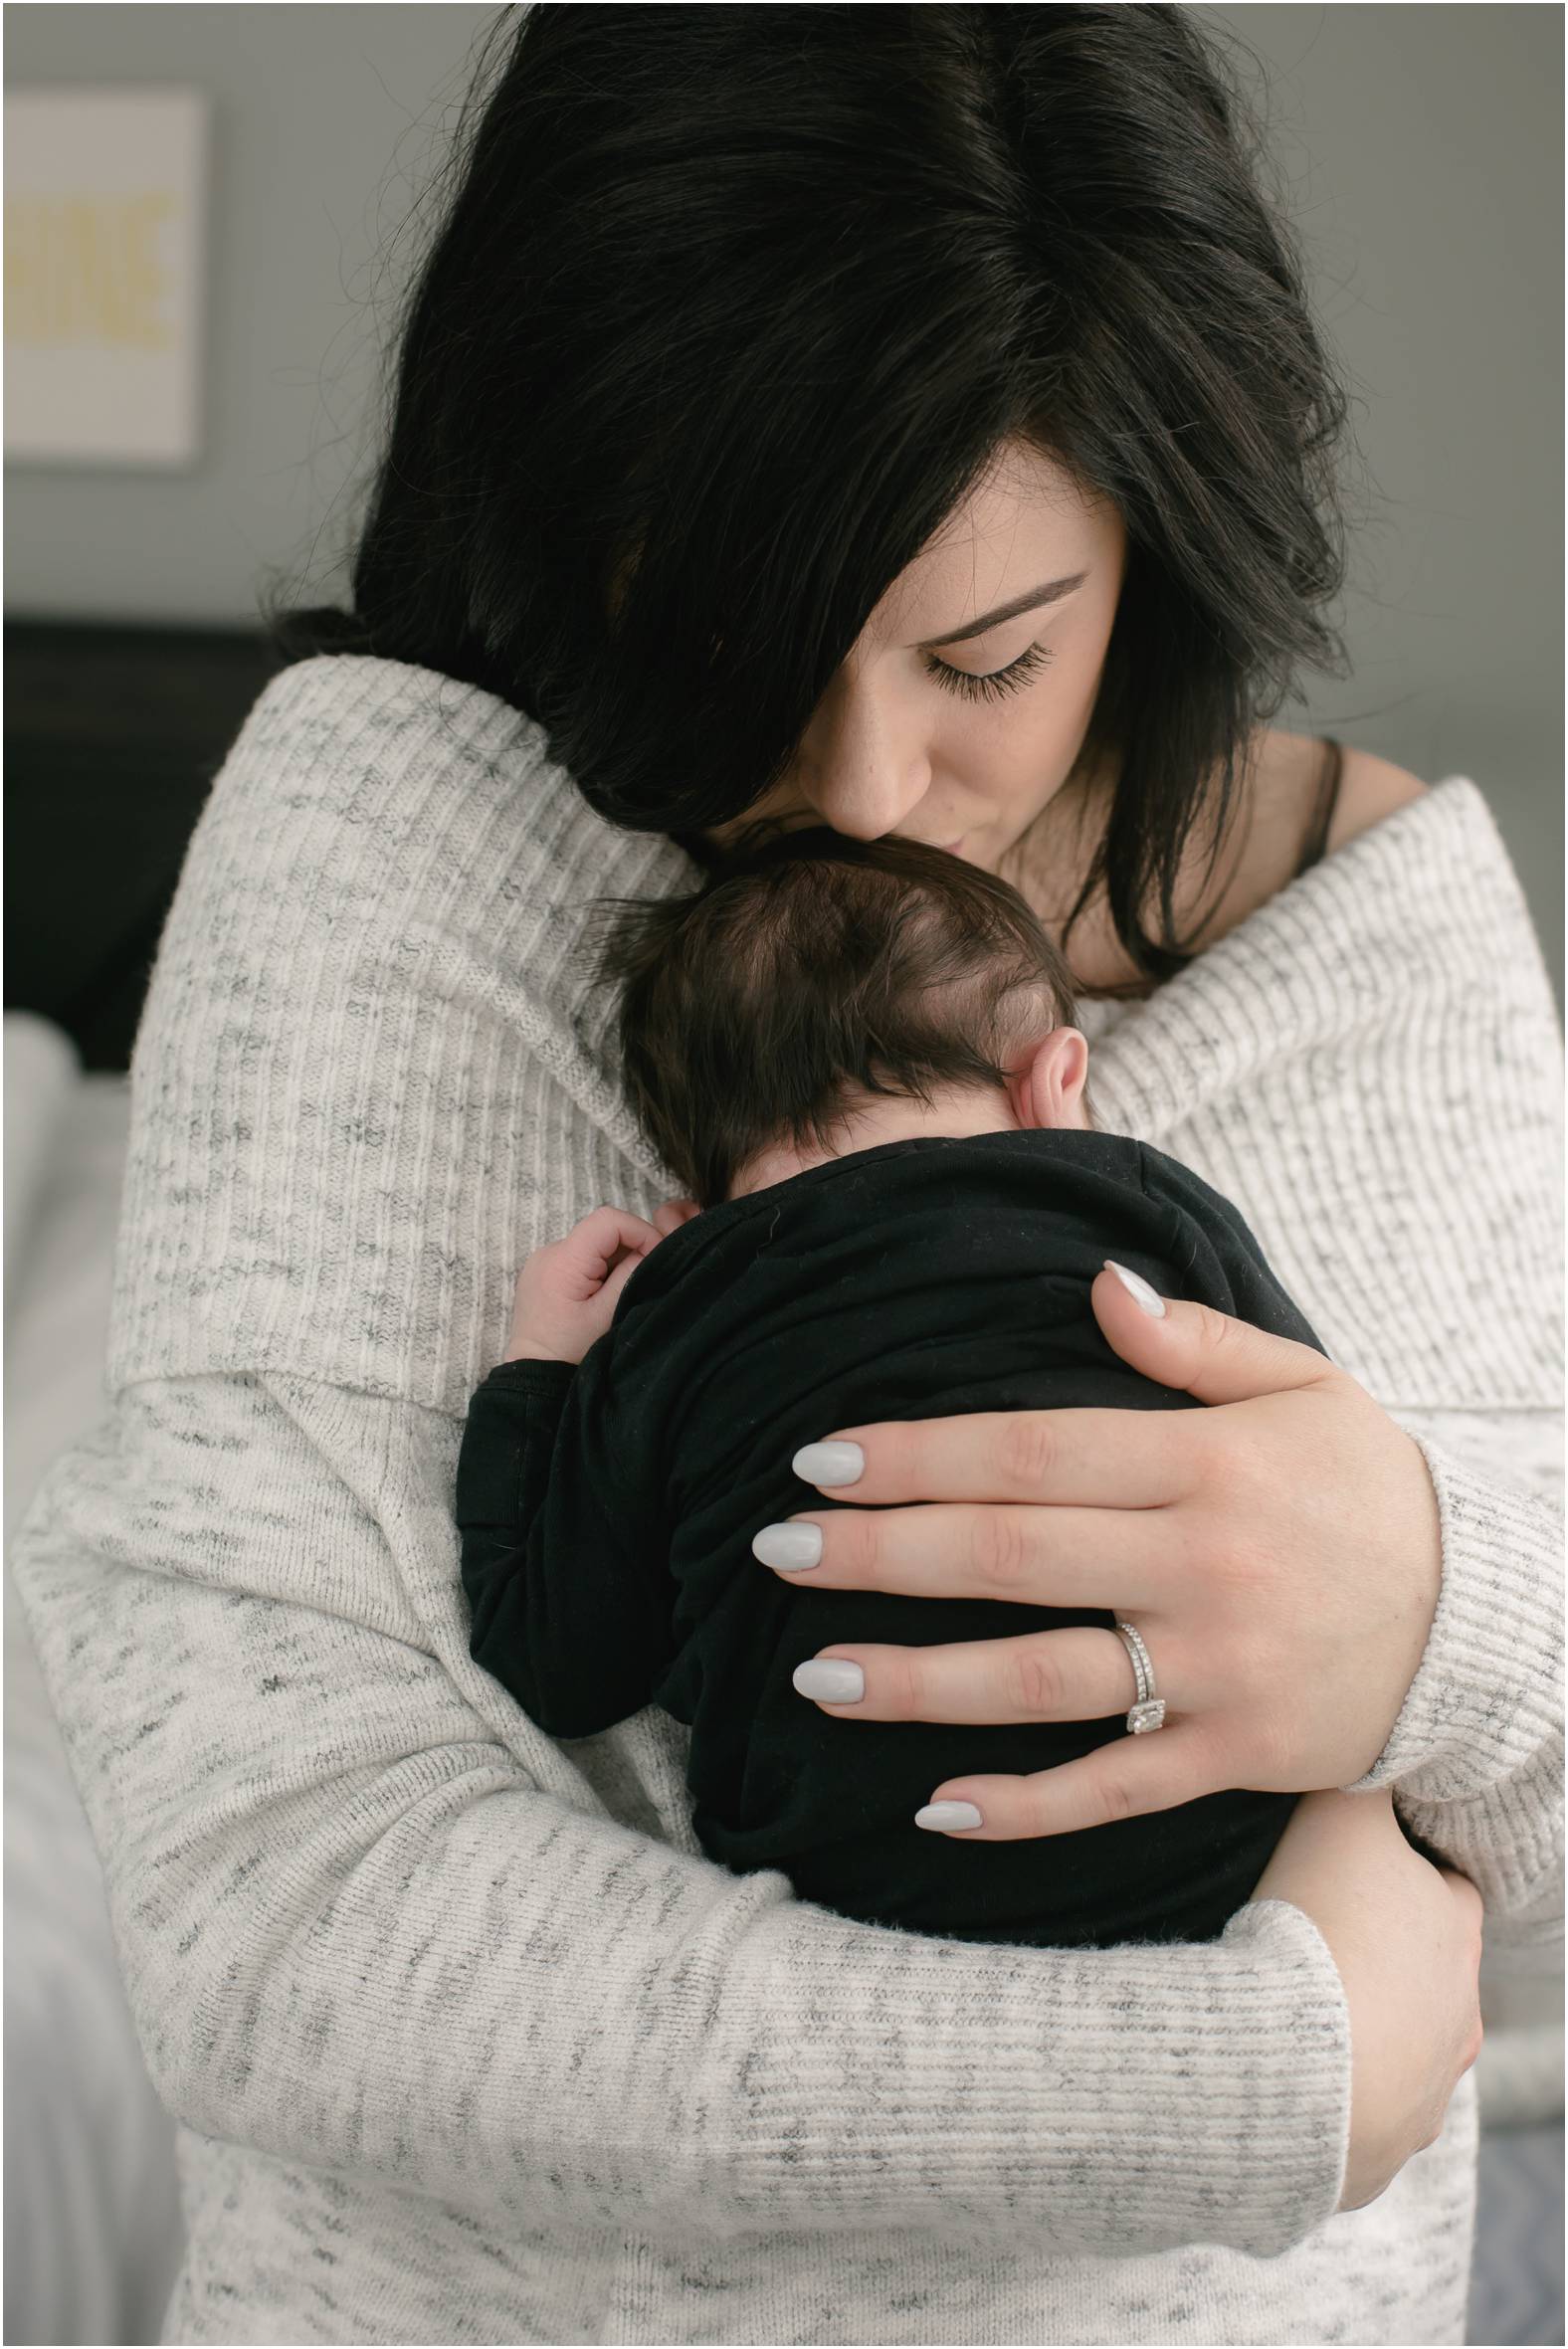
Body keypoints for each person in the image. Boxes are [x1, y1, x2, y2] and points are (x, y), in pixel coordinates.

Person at [11, 8, 1560, 2345]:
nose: (853, 791)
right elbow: (292, 1927)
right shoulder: (399, 840)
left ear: (1165, 542)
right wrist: (1263, 2079)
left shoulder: (1392, 940)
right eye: (731, 628)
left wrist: (1437, 1614)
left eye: (984, 657)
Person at [456, 822, 1385, 1953]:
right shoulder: (1133, 1205)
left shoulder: (677, 1315)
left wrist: (539, 1372)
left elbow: (555, 1663)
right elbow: (1327, 1468)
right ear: (1056, 1080)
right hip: (1214, 1848)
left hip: (853, 1901)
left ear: (692, 1211)